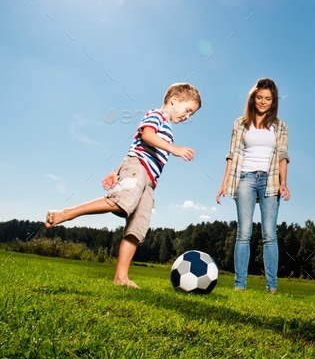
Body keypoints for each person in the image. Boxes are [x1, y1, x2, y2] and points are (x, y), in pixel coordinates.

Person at [45, 82, 201, 288]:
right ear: (174, 100)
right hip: (137, 169)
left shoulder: (168, 128)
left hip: (149, 182)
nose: (187, 116)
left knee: (137, 229)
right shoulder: (156, 115)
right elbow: (146, 136)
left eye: (192, 114)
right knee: (122, 202)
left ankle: (121, 277)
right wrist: (174, 149)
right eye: (188, 110)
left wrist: (115, 172)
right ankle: (68, 212)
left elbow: (134, 147)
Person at [216, 78, 290, 294]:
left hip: (270, 179)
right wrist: (224, 182)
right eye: (259, 97)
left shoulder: (280, 126)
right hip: (245, 178)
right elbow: (232, 154)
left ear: (273, 101)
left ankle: (272, 287)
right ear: (253, 98)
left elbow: (283, 156)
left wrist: (284, 183)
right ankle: (240, 286)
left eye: (268, 98)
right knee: (244, 233)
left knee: (269, 234)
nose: (263, 102)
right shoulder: (240, 124)